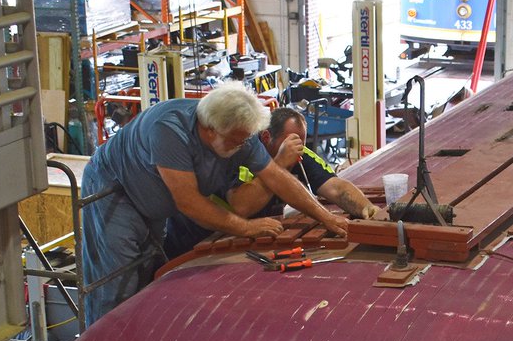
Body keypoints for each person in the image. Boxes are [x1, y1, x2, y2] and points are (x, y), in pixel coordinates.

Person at [79, 83, 349, 325]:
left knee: (146, 275)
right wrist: (246, 228)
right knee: (116, 283)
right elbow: (189, 202)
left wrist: (325, 217)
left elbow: (276, 177)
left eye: (246, 140)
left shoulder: (237, 134)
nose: (243, 146)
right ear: (210, 130)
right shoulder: (169, 131)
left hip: (152, 201)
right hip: (115, 191)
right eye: (236, 140)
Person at [163, 106, 387, 258]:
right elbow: (241, 206)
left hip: (243, 238)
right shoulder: (239, 151)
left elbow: (336, 187)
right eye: (289, 140)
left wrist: (366, 208)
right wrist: (279, 164)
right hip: (193, 237)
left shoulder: (299, 153)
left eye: (300, 140)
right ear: (266, 137)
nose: (296, 146)